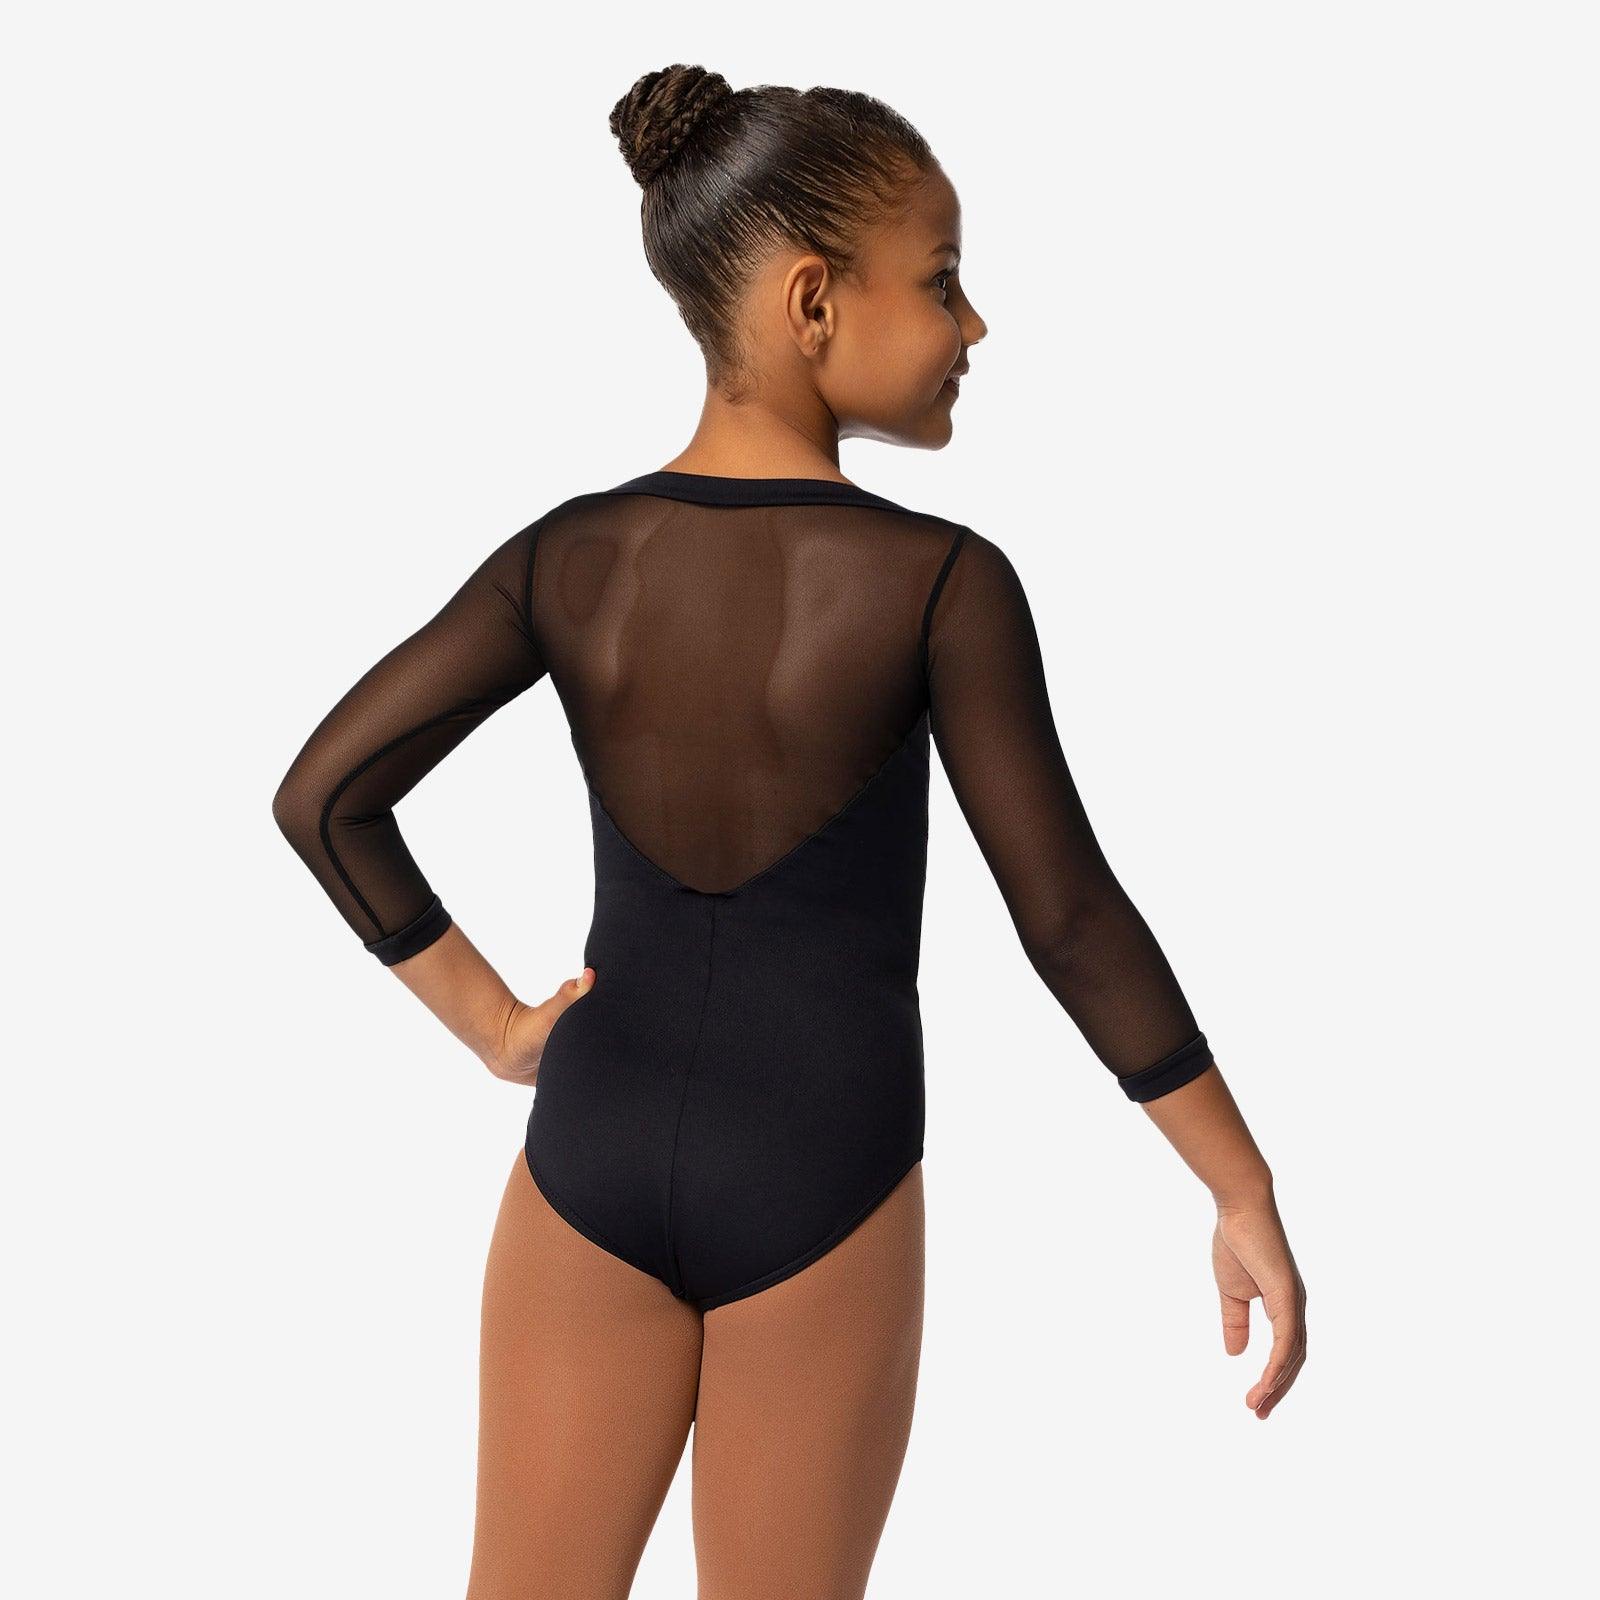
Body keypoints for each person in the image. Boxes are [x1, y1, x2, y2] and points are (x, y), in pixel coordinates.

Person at [271, 62, 1306, 1600]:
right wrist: (1238, 1183)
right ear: (814, 301)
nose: (973, 326)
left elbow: (327, 797)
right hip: (825, 1175)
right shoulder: (940, 582)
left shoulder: (571, 557)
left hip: (587, 1158)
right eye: (942, 280)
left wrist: (497, 1027)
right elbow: (1069, 916)